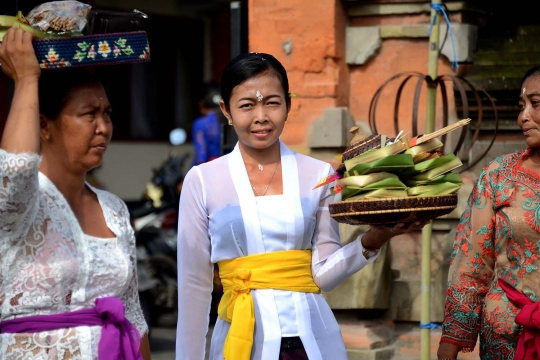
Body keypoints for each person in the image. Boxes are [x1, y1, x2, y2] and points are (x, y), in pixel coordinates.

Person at [175, 52, 427, 360]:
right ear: (226, 110)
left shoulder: (320, 175)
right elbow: (193, 288)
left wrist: (375, 238)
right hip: (241, 342)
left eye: (272, 102)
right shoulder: (202, 181)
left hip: (312, 342)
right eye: (246, 105)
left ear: (288, 104)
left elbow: (323, 274)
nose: (261, 116)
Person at [0, 28, 150, 359]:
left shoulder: (114, 209)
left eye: (107, 114)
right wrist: (26, 79)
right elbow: (15, 170)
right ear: (43, 126)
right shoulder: (20, 202)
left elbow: (133, 316)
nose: (104, 127)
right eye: (88, 115)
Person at [438, 66, 540, 360]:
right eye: (521, 106)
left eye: (536, 104)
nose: (523, 116)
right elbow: (471, 264)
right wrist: (451, 343)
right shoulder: (498, 176)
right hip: (506, 337)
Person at [191, 82, 224, 167]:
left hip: (211, 169)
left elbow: (201, 155)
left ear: (201, 102)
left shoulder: (201, 123)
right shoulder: (229, 119)